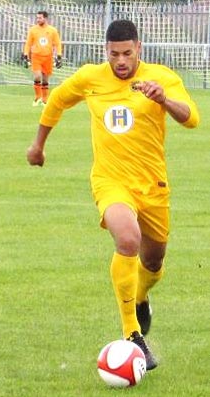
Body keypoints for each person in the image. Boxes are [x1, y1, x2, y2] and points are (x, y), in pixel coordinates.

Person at [26, 19, 199, 371]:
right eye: (114, 54)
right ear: (105, 52)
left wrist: (163, 99)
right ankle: (133, 335)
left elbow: (192, 118)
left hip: (153, 186)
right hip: (110, 181)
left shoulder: (161, 77)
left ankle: (141, 296)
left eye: (127, 54)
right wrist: (38, 145)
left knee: (153, 262)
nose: (120, 61)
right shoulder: (91, 78)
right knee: (127, 239)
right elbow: (57, 101)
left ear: (139, 50)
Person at [22, 11, 62, 107]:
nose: (38, 20)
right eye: (37, 18)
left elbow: (57, 44)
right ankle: (37, 97)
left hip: (48, 57)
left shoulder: (52, 30)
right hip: (36, 56)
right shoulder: (33, 30)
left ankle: (44, 100)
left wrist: (59, 56)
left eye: (40, 18)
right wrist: (25, 55)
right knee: (37, 76)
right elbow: (28, 43)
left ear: (45, 18)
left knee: (45, 80)